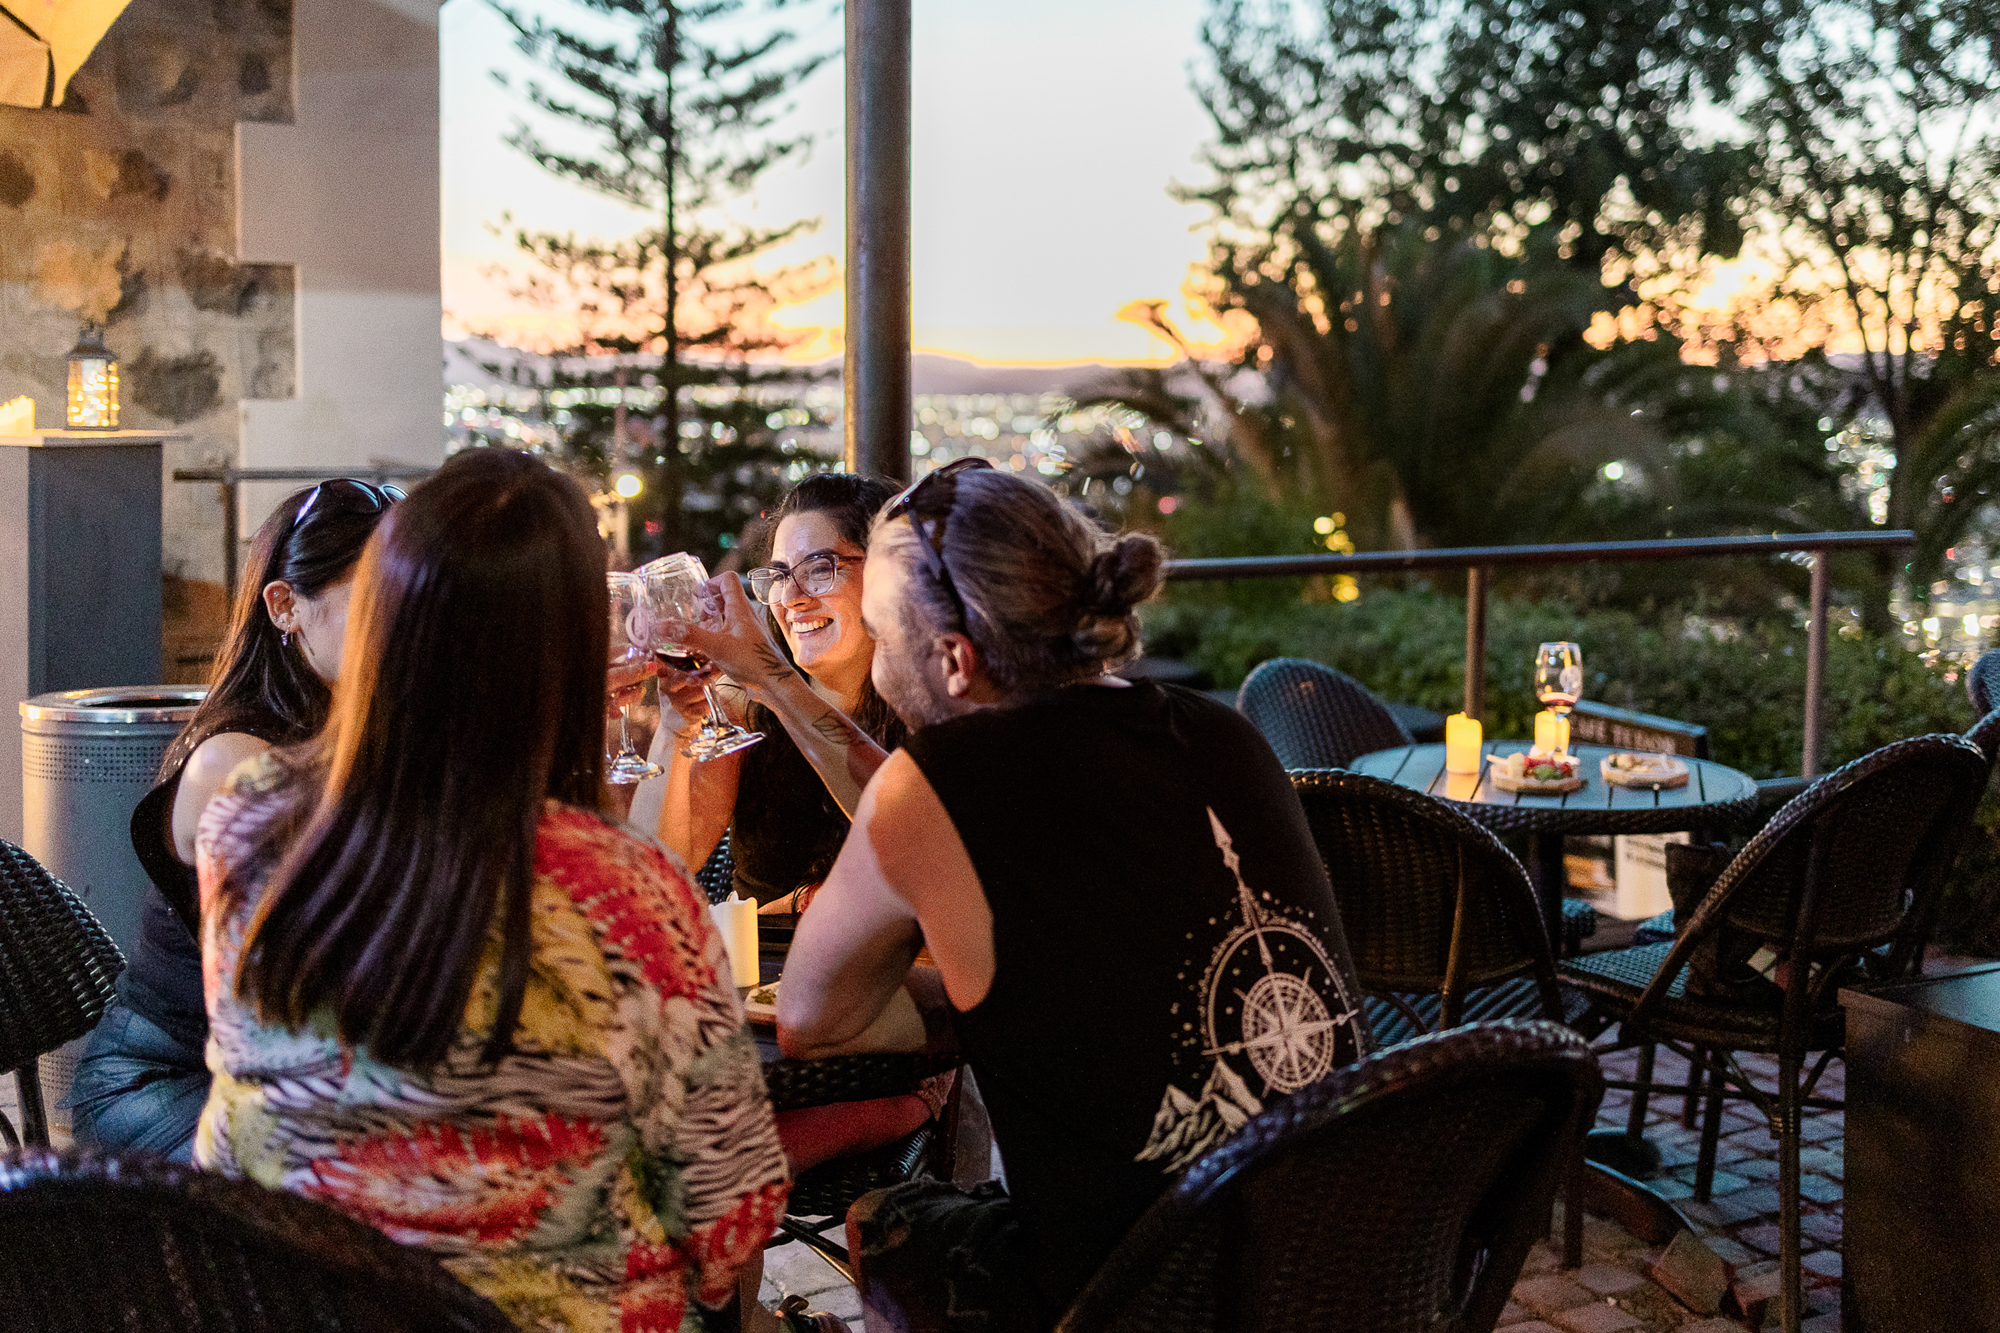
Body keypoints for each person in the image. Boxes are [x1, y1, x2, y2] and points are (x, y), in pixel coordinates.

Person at [678, 460, 1373, 1332]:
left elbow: (813, 1016)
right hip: (1350, 1255)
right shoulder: (1224, 732)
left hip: (1140, 1294)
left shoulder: (944, 779)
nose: (884, 673)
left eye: (889, 647)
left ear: (956, 662)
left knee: (889, 1223)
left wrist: (939, 984)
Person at [192, 449, 793, 1332]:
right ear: (573, 646)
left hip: (286, 1302)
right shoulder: (624, 888)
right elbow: (732, 1216)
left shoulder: (248, 822)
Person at [69, 479, 399, 1161]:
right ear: (284, 606)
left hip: (279, 1070)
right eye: (377, 601)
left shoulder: (362, 732)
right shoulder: (236, 759)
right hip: (168, 1078)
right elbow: (318, 965)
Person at [632, 473, 906, 911]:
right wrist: (676, 727)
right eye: (779, 576)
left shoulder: (935, 699)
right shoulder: (741, 704)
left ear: (887, 575)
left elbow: (910, 829)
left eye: (820, 569)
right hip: (762, 973)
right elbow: (653, 871)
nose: (792, 598)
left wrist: (771, 678)